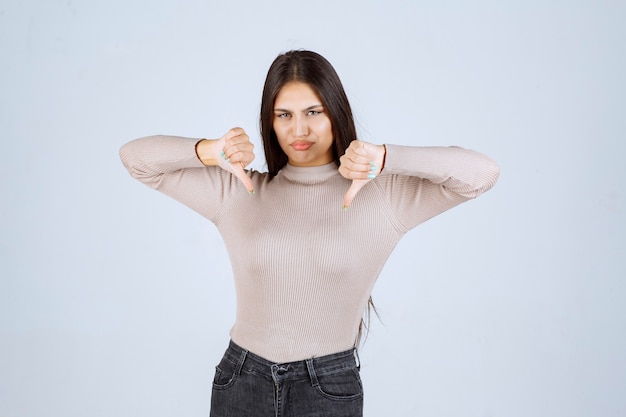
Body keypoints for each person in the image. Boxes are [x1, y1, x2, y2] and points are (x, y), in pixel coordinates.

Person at [120, 50, 499, 417]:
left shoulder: (383, 197)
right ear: (270, 122)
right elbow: (136, 159)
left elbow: (481, 174)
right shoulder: (240, 191)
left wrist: (386, 158)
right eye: (283, 114)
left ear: (335, 112)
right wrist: (208, 150)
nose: (298, 130)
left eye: (313, 112)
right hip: (242, 381)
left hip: (327, 387)